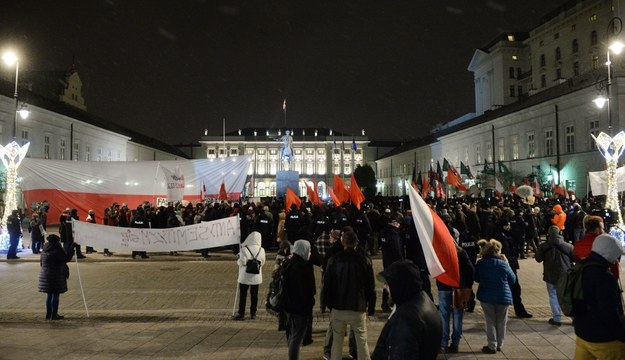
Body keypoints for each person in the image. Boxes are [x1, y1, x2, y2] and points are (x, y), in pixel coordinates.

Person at [372, 260, 442, 359]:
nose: (384, 287)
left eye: (388, 284)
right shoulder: (423, 300)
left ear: (399, 285)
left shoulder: (406, 320)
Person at [323, 231, 376, 360]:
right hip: (358, 306)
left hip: (338, 307)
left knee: (337, 340)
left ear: (342, 242)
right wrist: (371, 306)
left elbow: (327, 286)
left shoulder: (334, 260)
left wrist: (328, 304)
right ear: (356, 243)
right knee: (362, 340)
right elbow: (371, 286)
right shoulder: (364, 260)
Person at [573, 234, 625, 358]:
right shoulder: (604, 277)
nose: (616, 260)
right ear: (609, 253)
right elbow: (608, 312)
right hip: (603, 339)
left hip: (582, 333)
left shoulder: (581, 267)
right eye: (615, 256)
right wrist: (621, 335)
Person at [475, 239, 516, 354]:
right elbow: (512, 280)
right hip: (503, 296)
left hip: (486, 296)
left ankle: (492, 345)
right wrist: (507, 263)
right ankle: (499, 344)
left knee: (490, 321)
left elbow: (477, 278)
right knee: (502, 321)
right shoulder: (503, 264)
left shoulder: (481, 263)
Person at [438, 228, 474, 354]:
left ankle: (443, 343)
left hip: (444, 288)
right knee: (458, 316)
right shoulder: (462, 252)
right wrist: (467, 286)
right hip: (459, 287)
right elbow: (470, 270)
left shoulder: (440, 252)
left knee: (444, 316)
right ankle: (455, 344)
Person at [535, 225, 574, 326]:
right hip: (565, 275)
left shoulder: (544, 246)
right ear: (560, 233)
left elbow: (538, 259)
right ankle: (574, 318)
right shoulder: (568, 246)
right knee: (567, 296)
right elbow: (574, 259)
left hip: (550, 275)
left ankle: (557, 318)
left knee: (553, 295)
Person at [283, 239, 316, 359]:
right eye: (309, 251)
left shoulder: (288, 263)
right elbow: (309, 290)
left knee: (291, 335)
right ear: (303, 251)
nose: (310, 253)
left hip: (287, 306)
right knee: (296, 338)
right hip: (299, 308)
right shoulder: (303, 268)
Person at [232, 231, 266, 321]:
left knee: (243, 295)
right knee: (254, 295)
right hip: (256, 276)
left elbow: (242, 262)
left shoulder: (244, 249)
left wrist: (238, 261)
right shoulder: (261, 250)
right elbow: (262, 262)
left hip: (245, 276)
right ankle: (253, 313)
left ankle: (241, 313)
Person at [38, 234, 73, 320]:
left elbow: (41, 263)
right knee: (55, 295)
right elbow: (66, 258)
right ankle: (54, 314)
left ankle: (48, 314)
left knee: (49, 295)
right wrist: (72, 247)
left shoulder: (45, 250)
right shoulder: (57, 250)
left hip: (45, 275)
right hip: (56, 275)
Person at [379, 216, 404, 312]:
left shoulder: (384, 232)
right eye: (398, 223)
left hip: (386, 261)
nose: (399, 225)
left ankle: (385, 303)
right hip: (394, 263)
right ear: (394, 222)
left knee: (387, 282)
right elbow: (397, 250)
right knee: (395, 284)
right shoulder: (394, 234)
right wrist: (402, 262)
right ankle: (394, 303)